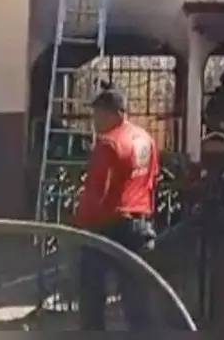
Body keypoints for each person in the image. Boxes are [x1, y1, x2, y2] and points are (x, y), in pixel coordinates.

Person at [74, 84, 159, 330]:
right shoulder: (146, 139)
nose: (95, 121)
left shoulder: (108, 143)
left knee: (92, 292)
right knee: (137, 296)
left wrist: (80, 223)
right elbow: (152, 179)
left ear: (116, 113)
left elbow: (96, 190)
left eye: (98, 115)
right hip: (140, 224)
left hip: (108, 225)